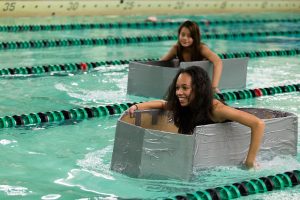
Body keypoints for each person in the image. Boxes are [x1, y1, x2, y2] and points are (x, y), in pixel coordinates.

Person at [128, 66, 265, 169]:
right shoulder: (186, 105)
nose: (178, 93)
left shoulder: (216, 109)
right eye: (177, 88)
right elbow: (163, 104)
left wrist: (250, 161)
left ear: (199, 88)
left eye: (185, 88)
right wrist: (137, 107)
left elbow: (258, 124)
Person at [160, 20, 222, 93]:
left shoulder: (201, 48)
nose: (185, 38)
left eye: (189, 36)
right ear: (178, 35)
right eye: (182, 35)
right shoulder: (176, 49)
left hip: (200, 83)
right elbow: (162, 62)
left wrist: (214, 87)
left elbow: (218, 61)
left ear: (195, 37)